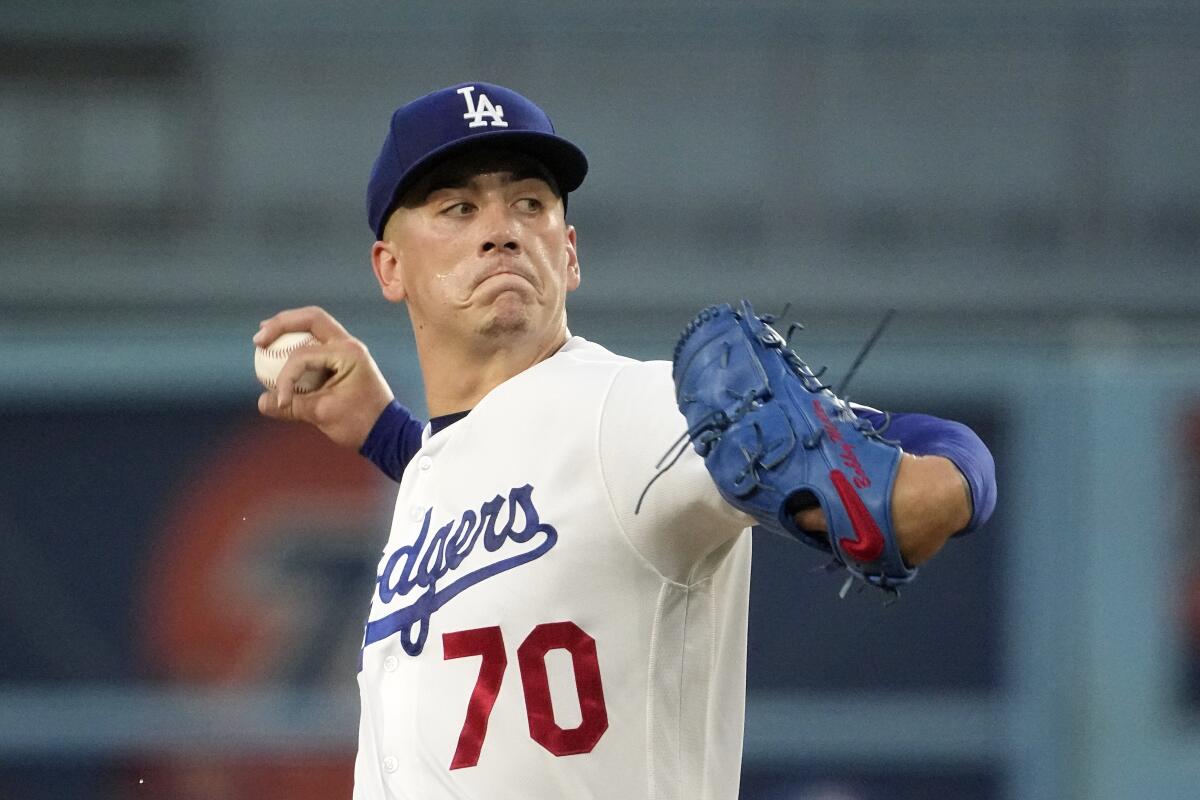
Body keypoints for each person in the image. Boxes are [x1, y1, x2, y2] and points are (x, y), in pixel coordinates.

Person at [253, 82, 997, 800]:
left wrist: (953, 481)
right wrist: (390, 436)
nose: (502, 228)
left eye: (530, 203)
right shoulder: (441, 465)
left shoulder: (632, 412)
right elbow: (526, 490)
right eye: (457, 207)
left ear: (569, 252)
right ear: (390, 268)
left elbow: (923, 463)